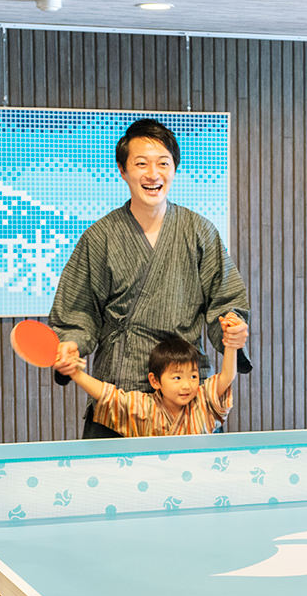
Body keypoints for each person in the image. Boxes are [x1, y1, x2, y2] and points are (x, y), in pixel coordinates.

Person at [47, 117, 251, 437]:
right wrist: (70, 345)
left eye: (163, 163)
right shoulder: (99, 237)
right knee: (112, 486)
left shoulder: (199, 232)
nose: (153, 174)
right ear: (123, 170)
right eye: (141, 163)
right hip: (120, 395)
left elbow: (225, 301)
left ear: (174, 169)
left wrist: (232, 327)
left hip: (185, 397)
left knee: (194, 486)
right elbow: (78, 312)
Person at [57, 317, 247, 438]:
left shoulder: (203, 401)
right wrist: (76, 373)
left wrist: (231, 344)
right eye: (177, 378)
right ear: (155, 381)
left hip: (198, 477)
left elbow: (227, 376)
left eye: (194, 376)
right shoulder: (144, 407)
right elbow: (107, 394)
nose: (187, 385)